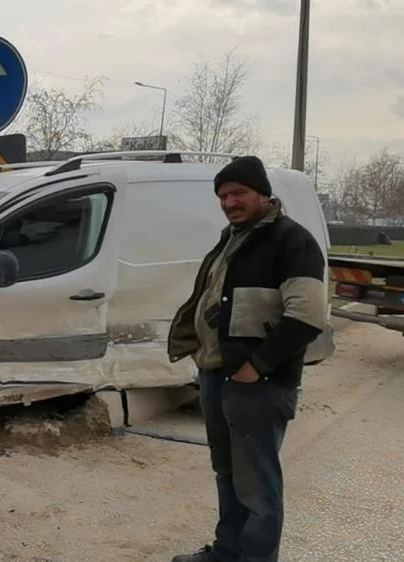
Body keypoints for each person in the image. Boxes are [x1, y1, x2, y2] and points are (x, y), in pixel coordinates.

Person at [167, 156, 326, 562]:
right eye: (222, 195)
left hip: (259, 383)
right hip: (219, 375)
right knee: (228, 474)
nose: (229, 201)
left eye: (238, 193)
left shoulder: (293, 241)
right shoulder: (234, 238)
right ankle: (228, 551)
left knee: (258, 485)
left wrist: (256, 367)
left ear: (262, 194)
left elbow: (307, 317)